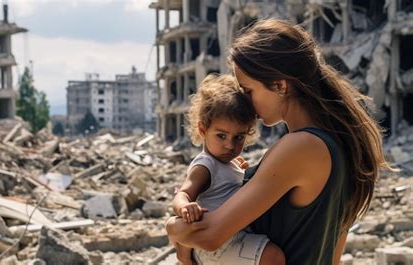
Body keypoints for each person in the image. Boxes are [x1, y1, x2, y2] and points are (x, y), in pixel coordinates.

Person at [166, 18, 394, 264]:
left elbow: (210, 236)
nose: (246, 105)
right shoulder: (339, 146)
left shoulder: (301, 147)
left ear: (280, 85)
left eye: (248, 91)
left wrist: (173, 228)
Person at [171, 74, 285, 265]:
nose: (230, 145)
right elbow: (183, 193)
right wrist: (184, 207)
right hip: (218, 244)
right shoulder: (204, 166)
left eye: (238, 137)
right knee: (273, 258)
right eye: (221, 136)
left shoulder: (230, 163)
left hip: (232, 237)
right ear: (202, 129)